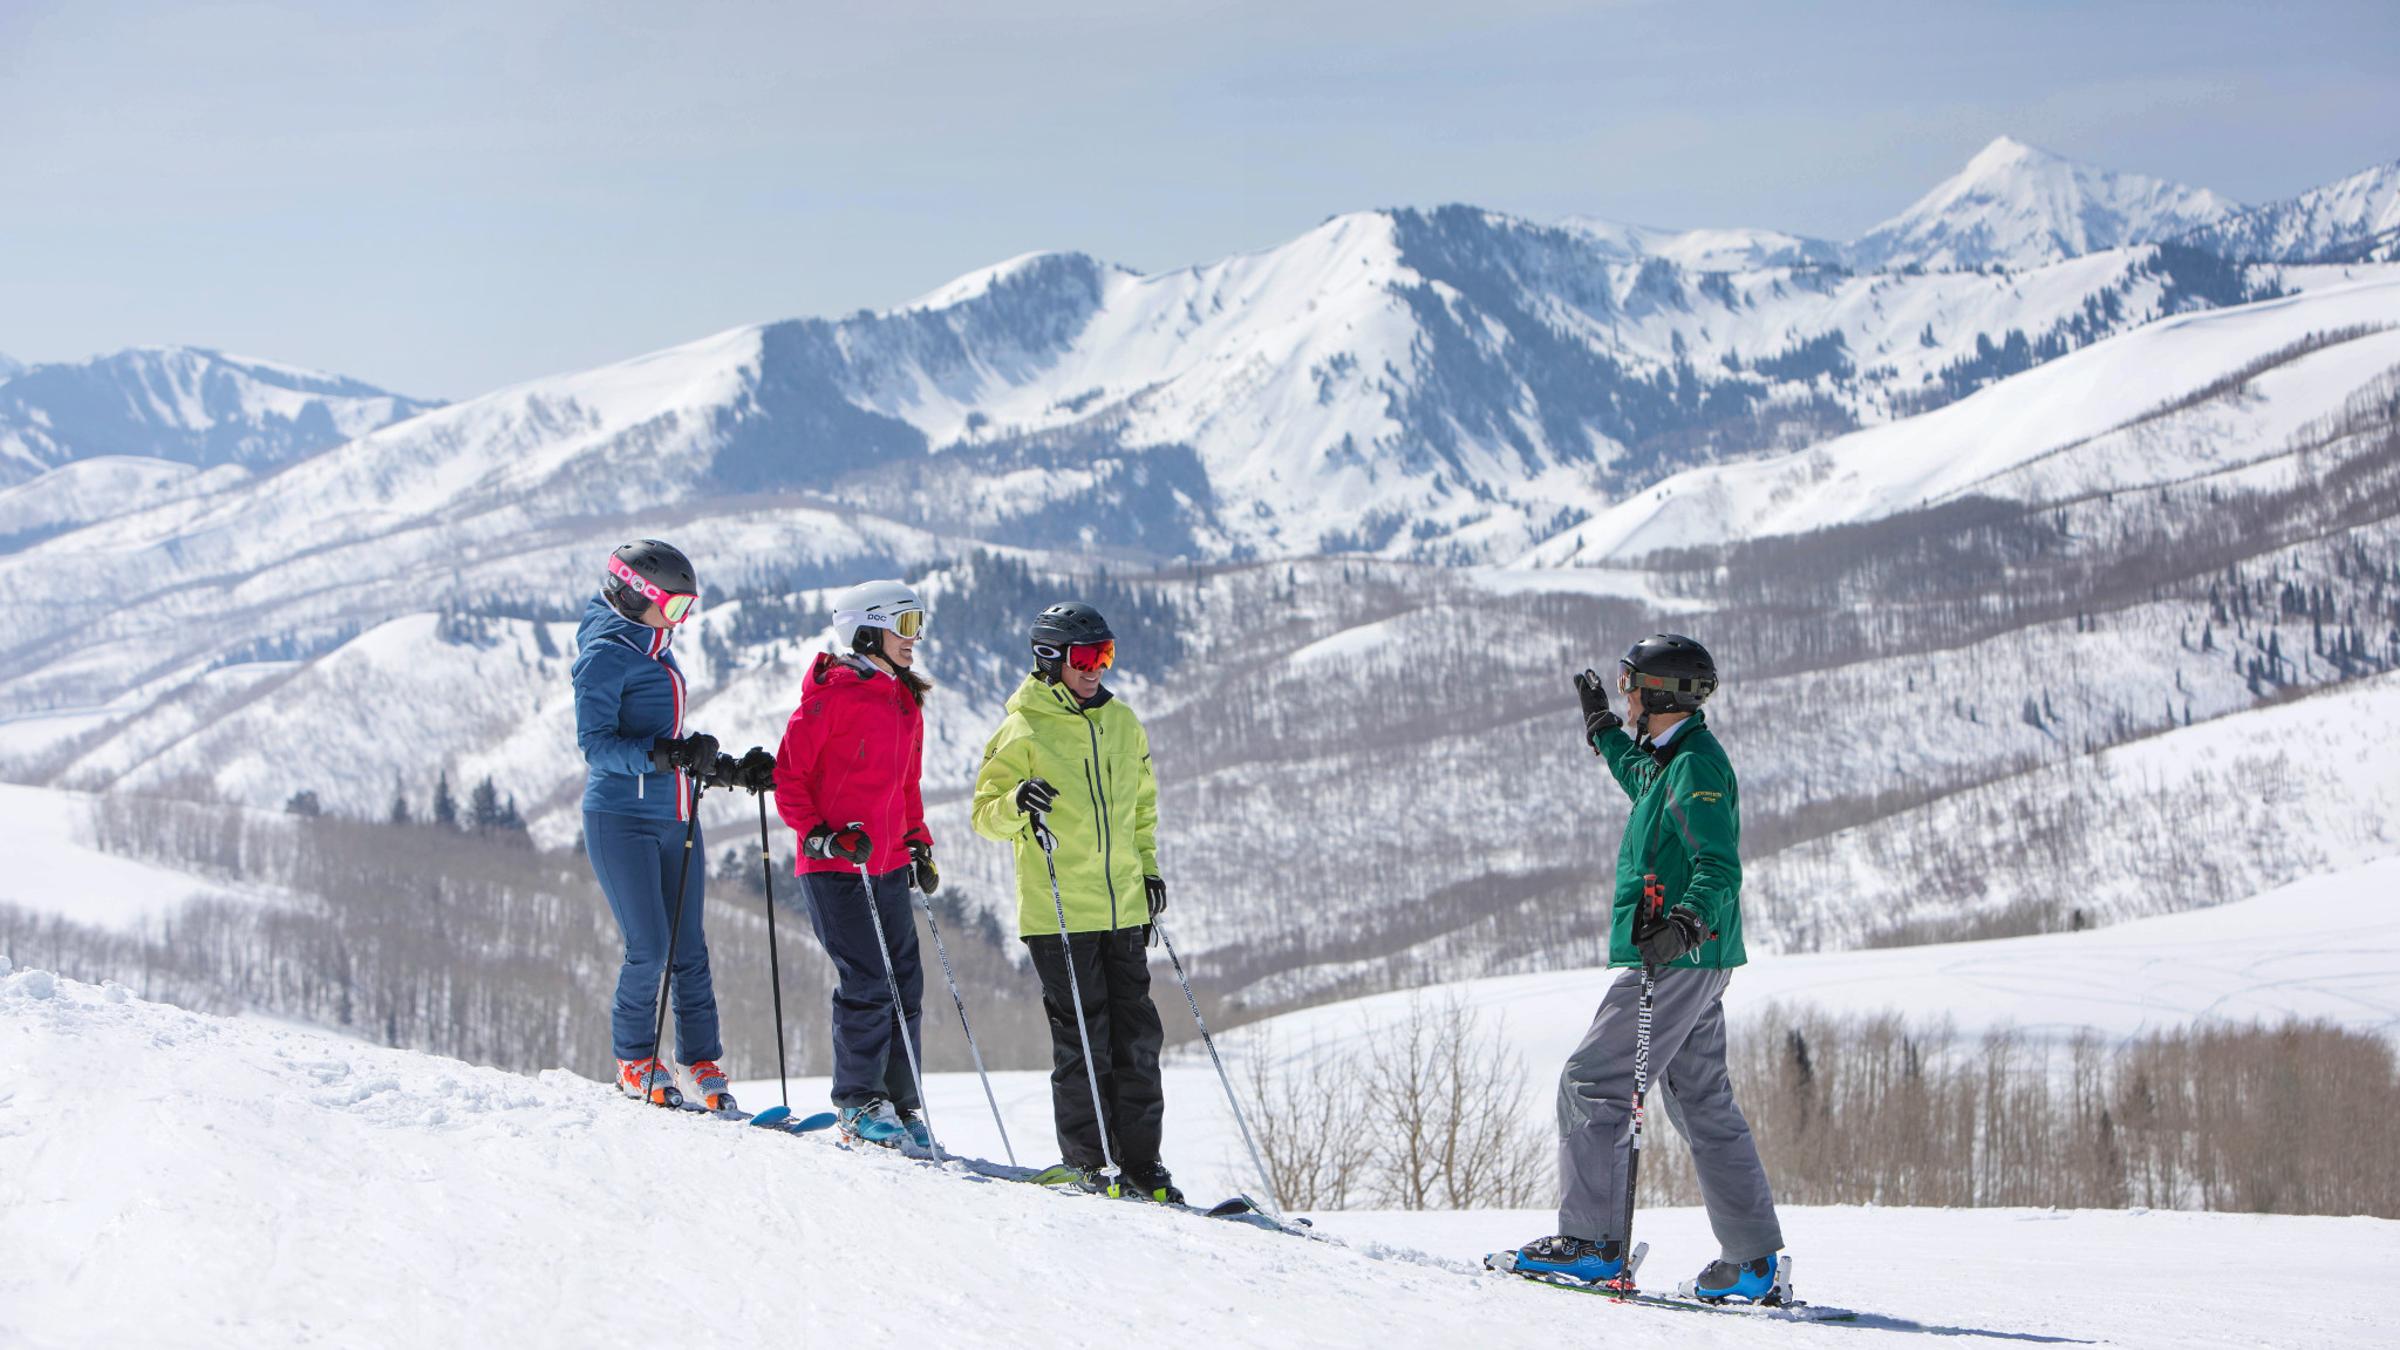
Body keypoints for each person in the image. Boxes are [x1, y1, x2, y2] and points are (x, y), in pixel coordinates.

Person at [1507, 634, 1789, 1303]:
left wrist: (1684, 924)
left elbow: (1719, 864)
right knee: (1701, 1101)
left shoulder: (1697, 766)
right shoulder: (1672, 760)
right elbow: (1641, 779)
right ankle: (1751, 1261)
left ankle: (1592, 1245)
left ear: (1663, 692)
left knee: (1591, 1081)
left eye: (1632, 683)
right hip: (1691, 954)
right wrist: (1603, 729)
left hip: (1676, 956)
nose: (1626, 691)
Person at [970, 601, 1179, 1203]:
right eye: (1085, 658)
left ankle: (1143, 1164)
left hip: (1124, 910)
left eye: (1105, 656)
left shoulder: (1123, 722)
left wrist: (1149, 872)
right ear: (1050, 659)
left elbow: (1142, 809)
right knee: (1084, 1041)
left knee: (1138, 1040)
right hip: (1059, 914)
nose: (1096, 670)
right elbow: (984, 816)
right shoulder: (1022, 728)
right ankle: (1089, 1162)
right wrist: (1016, 801)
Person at [572, 539, 762, 1111]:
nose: (682, 619)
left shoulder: (653, 645)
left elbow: (665, 742)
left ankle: (700, 1060)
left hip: (676, 813)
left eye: (688, 607)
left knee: (689, 948)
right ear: (636, 595)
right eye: (675, 606)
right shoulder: (606, 654)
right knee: (648, 948)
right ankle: (635, 1058)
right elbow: (597, 746)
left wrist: (723, 769)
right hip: (620, 819)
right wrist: (665, 756)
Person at [772, 579, 937, 1148]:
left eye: (919, 624)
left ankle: (901, 1100)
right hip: (836, 869)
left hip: (888, 864)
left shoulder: (905, 699)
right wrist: (821, 838)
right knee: (867, 979)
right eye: (906, 626)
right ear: (868, 630)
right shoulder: (832, 696)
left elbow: (905, 784)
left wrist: (918, 841)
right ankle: (860, 1102)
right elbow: (788, 776)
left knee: (905, 983)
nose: (916, 638)